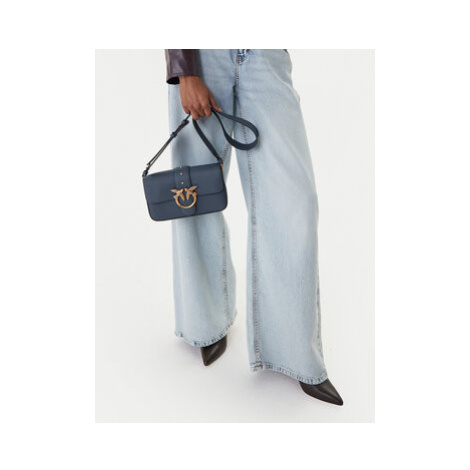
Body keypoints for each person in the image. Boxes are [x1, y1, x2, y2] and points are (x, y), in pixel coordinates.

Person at [164, 49, 343, 405]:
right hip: (202, 54)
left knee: (294, 201)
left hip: (265, 53)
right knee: (194, 196)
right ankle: (205, 324)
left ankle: (294, 352)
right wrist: (185, 72)